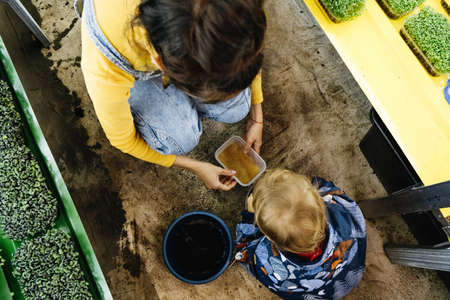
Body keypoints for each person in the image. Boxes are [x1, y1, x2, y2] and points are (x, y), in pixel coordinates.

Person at [79, 0, 266, 190]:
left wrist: (256, 114)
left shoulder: (235, 8)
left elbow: (247, 45)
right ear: (162, 67)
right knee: (180, 139)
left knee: (238, 107)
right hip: (128, 57)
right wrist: (196, 167)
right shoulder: (105, 69)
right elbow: (123, 140)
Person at [235, 169, 367, 299]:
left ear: (269, 237)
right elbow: (331, 189)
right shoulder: (342, 213)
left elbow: (244, 252)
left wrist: (249, 216)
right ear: (318, 199)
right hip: (351, 274)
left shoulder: (273, 267)